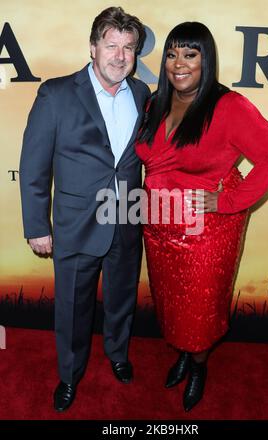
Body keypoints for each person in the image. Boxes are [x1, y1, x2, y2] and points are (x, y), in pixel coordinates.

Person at [136, 22, 268, 412]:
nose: (178, 64)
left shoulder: (229, 107)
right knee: (171, 303)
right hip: (157, 228)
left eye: (190, 54)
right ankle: (185, 356)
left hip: (206, 233)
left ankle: (199, 366)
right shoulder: (155, 104)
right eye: (171, 54)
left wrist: (227, 201)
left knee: (200, 311)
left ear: (207, 60)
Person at [19, 6, 150, 412]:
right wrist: (36, 225)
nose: (119, 55)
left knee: (122, 295)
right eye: (111, 45)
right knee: (73, 306)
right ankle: (70, 374)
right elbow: (34, 166)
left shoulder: (143, 95)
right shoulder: (56, 93)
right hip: (76, 222)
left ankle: (117, 354)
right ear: (92, 47)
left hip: (126, 215)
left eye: (128, 47)